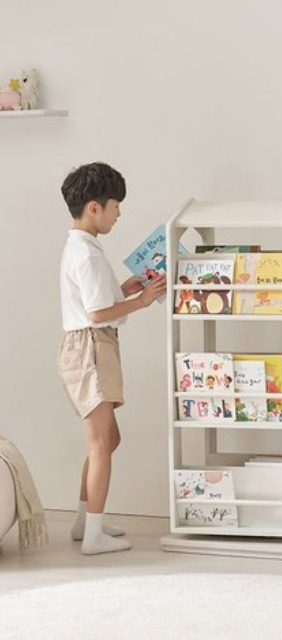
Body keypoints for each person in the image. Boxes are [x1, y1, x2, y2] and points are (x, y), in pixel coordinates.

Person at [58, 162, 166, 555]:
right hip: (91, 347)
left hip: (91, 345)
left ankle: (85, 521)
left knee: (107, 439)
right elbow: (97, 313)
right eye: (115, 206)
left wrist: (127, 288)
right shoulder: (85, 254)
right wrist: (142, 300)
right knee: (101, 442)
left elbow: (97, 301)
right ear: (94, 208)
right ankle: (93, 535)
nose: (119, 213)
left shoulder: (84, 248)